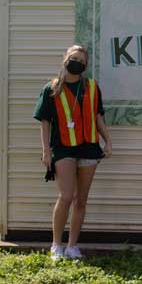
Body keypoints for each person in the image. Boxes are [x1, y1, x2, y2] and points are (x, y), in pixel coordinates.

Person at [34, 45, 113, 261]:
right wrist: (46, 151)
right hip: (62, 147)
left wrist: (108, 141)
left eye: (81, 59)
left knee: (81, 199)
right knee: (67, 195)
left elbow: (98, 117)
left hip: (88, 146)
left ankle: (72, 246)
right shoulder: (52, 88)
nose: (76, 61)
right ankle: (56, 245)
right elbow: (44, 122)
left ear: (85, 65)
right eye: (73, 57)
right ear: (65, 59)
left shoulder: (92, 87)